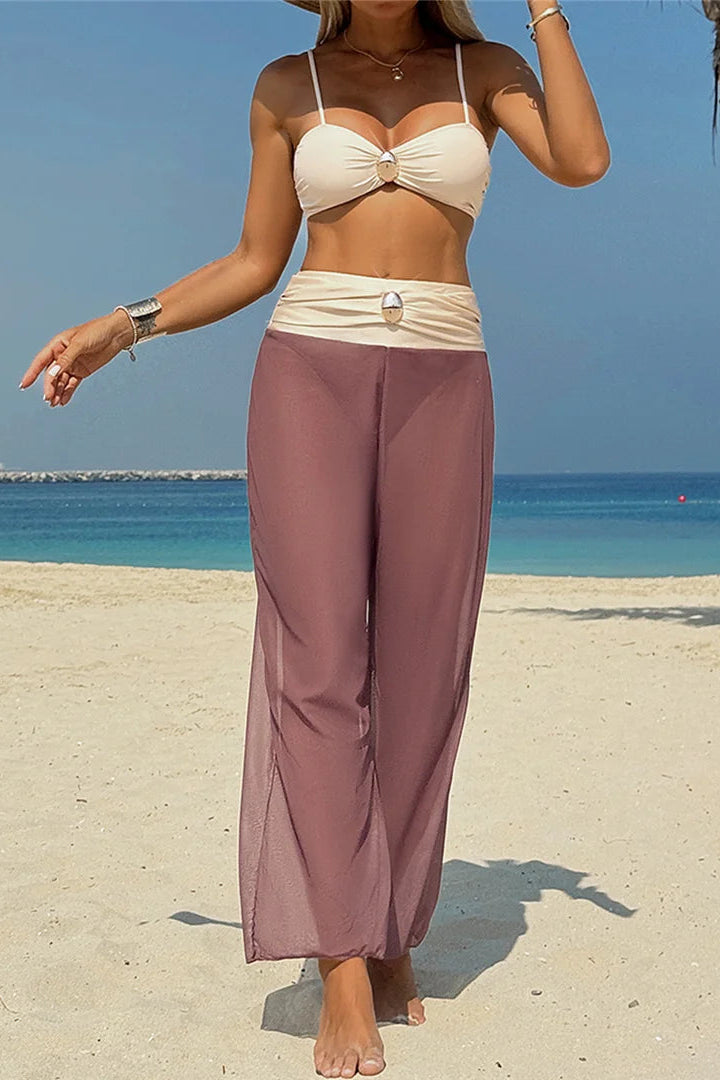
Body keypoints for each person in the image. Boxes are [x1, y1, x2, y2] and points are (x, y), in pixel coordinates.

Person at [19, 1, 610, 1075]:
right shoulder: (287, 82)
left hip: (445, 377)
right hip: (308, 375)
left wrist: (544, 7)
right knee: (321, 667)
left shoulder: (485, 69)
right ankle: (342, 958)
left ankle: (388, 925)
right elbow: (255, 260)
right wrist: (126, 323)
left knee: (424, 671)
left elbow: (581, 160)